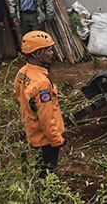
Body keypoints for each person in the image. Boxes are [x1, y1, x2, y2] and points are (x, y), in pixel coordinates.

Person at [15, 31, 65, 179]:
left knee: (39, 170)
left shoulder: (22, 72)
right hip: (46, 139)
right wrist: (58, 141)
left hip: (33, 132)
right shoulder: (41, 83)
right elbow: (46, 117)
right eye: (48, 50)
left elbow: (19, 96)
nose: (52, 53)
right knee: (47, 175)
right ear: (37, 54)